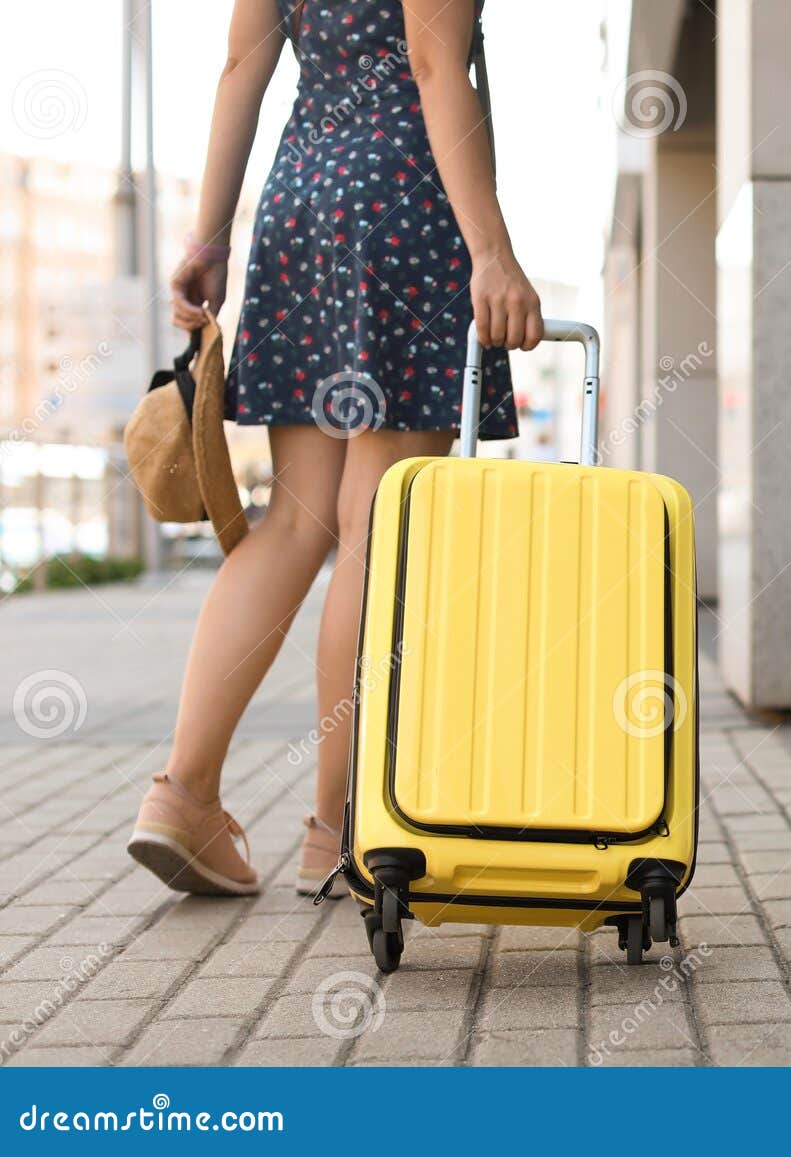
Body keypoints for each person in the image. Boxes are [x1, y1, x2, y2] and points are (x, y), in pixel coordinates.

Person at [127, 0, 542, 897]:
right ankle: (343, 828)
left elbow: (243, 66)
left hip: (303, 201)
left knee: (296, 520)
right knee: (376, 530)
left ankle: (183, 793)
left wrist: (206, 238)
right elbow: (437, 69)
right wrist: (493, 252)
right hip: (401, 202)